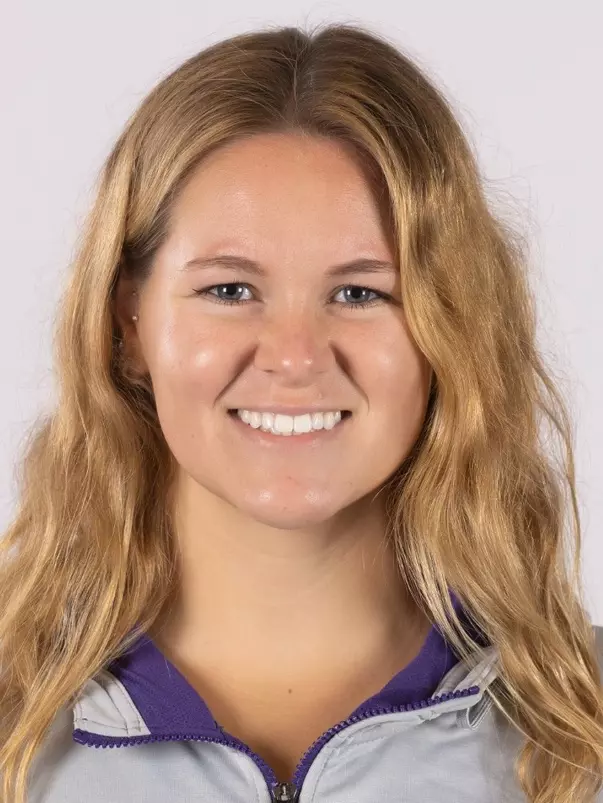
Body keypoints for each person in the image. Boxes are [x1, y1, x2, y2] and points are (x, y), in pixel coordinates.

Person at [1, 20, 602, 803]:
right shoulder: (17, 725)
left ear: (450, 326)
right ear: (130, 326)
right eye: (228, 290)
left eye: (360, 292)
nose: (294, 355)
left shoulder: (581, 729)